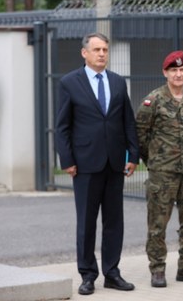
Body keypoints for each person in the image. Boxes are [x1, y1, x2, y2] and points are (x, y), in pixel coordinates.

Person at [55, 32, 139, 296]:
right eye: (97, 49)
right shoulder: (70, 82)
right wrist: (67, 160)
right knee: (87, 223)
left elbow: (128, 121)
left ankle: (112, 273)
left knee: (114, 222)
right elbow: (62, 126)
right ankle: (88, 274)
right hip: (85, 164)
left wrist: (133, 155)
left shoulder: (117, 82)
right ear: (84, 53)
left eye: (105, 49)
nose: (102, 54)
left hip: (114, 163)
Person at [135, 51, 183, 288]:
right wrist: (155, 158)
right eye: (173, 70)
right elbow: (140, 133)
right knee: (157, 223)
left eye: (182, 70)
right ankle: (157, 268)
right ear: (165, 73)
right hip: (162, 173)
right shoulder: (153, 100)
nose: (178, 74)